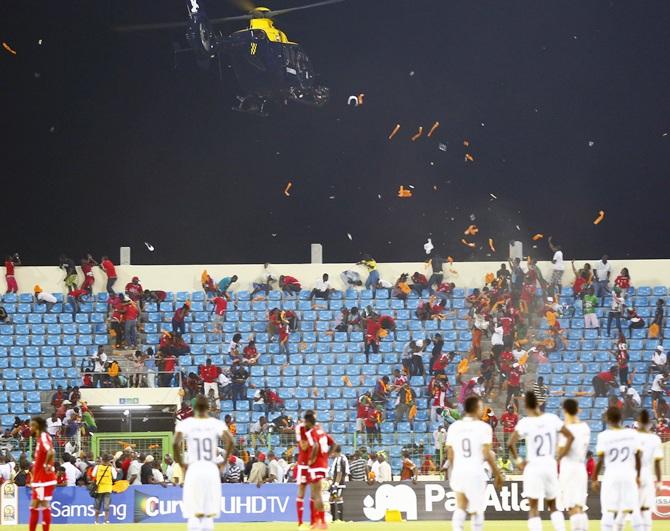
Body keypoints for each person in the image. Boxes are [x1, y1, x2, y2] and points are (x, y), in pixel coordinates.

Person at [508, 391, 575, 531]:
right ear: (538, 403)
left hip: (533, 466)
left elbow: (510, 443)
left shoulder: (525, 422)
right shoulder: (552, 419)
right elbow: (570, 437)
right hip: (549, 465)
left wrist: (519, 461)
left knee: (533, 507)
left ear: (526, 405)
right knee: (553, 505)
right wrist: (559, 456)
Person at [173, 395, 234, 531]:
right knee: (208, 512)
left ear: (193, 408)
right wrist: (224, 461)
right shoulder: (216, 423)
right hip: (210, 467)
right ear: (208, 407)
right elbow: (230, 441)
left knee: (194, 512)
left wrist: (181, 463)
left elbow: (175, 443)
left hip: (194, 467)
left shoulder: (187, 424)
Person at [445, 395, 503, 531]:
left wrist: (452, 472)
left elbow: (450, 454)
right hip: (475, 472)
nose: (482, 410)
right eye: (481, 407)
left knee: (460, 507)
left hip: (459, 471)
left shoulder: (454, 427)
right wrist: (497, 473)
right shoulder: (483, 428)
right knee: (476, 510)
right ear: (476, 408)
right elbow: (487, 454)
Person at [592, 407, 643, 531]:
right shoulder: (632, 433)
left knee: (608, 511)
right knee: (634, 509)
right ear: (621, 418)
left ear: (607, 419)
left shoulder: (604, 436)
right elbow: (637, 457)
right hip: (629, 474)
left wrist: (594, 478)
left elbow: (600, 459)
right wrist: (638, 475)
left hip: (612, 475)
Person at [557, 399, 591, 531]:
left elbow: (561, 450)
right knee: (580, 507)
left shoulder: (565, 428)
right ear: (578, 409)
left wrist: (558, 456)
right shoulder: (585, 427)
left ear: (564, 410)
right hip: (580, 467)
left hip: (568, 468)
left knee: (572, 508)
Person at [304, 410, 334, 529]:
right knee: (315, 494)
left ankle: (319, 521)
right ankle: (316, 521)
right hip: (322, 465)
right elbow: (334, 444)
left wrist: (311, 459)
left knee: (315, 494)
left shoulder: (313, 432)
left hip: (315, 466)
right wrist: (326, 457)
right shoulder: (322, 432)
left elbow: (315, 446)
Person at [636, 409, 663, 530]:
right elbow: (657, 462)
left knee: (635, 509)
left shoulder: (631, 437)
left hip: (633, 474)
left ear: (638, 422)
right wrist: (659, 482)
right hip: (647, 473)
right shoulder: (655, 439)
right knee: (646, 508)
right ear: (649, 424)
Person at [28, 416, 57, 531]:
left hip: (43, 479)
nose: (31, 428)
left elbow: (51, 451)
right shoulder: (41, 438)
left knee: (36, 505)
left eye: (32, 425)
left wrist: (46, 465)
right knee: (41, 504)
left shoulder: (44, 436)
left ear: (38, 426)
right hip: (40, 478)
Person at [92, 454, 117, 524]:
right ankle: (106, 520)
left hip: (99, 488)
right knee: (106, 506)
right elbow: (115, 477)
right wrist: (113, 465)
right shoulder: (111, 468)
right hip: (107, 489)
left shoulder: (97, 467)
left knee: (97, 506)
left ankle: (96, 521)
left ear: (102, 460)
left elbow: (93, 475)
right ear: (109, 461)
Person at [329, 445, 349, 521]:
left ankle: (340, 520)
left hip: (339, 483)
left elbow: (340, 473)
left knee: (338, 498)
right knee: (331, 499)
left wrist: (335, 485)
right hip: (336, 482)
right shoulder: (339, 458)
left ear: (334, 451)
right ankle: (334, 519)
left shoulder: (340, 459)